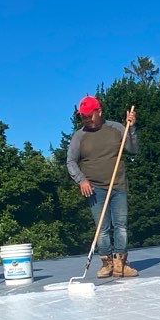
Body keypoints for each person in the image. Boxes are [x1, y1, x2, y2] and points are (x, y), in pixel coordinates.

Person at [66, 95, 138, 277]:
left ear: (99, 111)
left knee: (121, 225)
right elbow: (71, 162)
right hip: (94, 188)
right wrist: (81, 180)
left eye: (89, 115)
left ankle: (121, 263)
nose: (86, 119)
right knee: (102, 228)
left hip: (118, 185)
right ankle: (107, 263)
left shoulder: (117, 128)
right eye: (83, 116)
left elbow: (133, 149)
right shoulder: (79, 136)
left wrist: (131, 128)